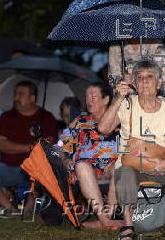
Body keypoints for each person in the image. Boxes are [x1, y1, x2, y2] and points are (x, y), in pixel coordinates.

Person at [99, 60, 165, 239]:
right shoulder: (126, 105)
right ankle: (127, 226)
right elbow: (103, 129)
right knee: (124, 173)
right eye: (139, 78)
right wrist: (118, 98)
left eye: (149, 77)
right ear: (134, 83)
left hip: (158, 161)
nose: (145, 82)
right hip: (131, 164)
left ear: (158, 83)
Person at [0, 81, 57, 218]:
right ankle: (10, 209)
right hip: (9, 168)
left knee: (43, 165)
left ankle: (29, 208)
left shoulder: (46, 117)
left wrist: (35, 147)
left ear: (32, 98)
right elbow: (0, 145)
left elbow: (49, 144)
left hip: (36, 169)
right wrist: (30, 147)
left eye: (21, 94)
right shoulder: (6, 117)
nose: (16, 98)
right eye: (15, 94)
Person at [58, 83, 120, 229]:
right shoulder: (80, 121)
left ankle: (106, 219)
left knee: (120, 167)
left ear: (105, 100)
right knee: (81, 165)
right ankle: (105, 221)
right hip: (89, 169)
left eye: (94, 96)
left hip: (113, 166)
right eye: (87, 97)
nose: (89, 100)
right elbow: (60, 145)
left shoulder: (119, 119)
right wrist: (64, 158)